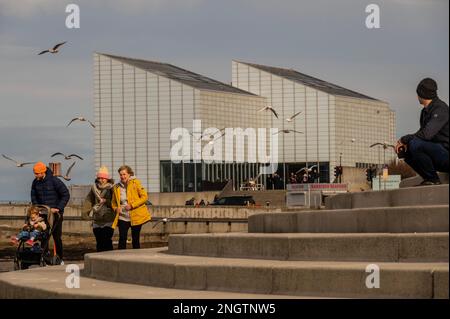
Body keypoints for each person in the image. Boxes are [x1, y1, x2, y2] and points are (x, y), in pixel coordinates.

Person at [396, 78, 449, 185]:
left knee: (415, 144)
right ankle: (430, 178)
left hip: (446, 153)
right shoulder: (425, 111)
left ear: (421, 94)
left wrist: (404, 139)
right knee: (404, 150)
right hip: (439, 153)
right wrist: (404, 143)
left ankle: (433, 179)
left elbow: (426, 134)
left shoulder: (440, 108)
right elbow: (421, 134)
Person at [31, 162, 69, 263]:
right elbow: (33, 196)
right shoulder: (35, 182)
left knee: (57, 237)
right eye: (35, 173)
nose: (36, 175)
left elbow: (65, 194)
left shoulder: (55, 181)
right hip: (43, 214)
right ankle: (45, 257)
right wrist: (37, 207)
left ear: (43, 172)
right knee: (43, 236)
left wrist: (58, 208)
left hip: (56, 214)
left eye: (37, 173)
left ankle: (60, 258)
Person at [112, 165, 151, 249]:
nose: (122, 176)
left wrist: (132, 205)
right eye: (121, 175)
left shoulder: (136, 182)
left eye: (124, 174)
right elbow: (113, 202)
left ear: (129, 174)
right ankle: (120, 259)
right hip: (122, 217)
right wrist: (115, 208)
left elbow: (144, 197)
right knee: (122, 238)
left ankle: (136, 259)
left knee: (135, 239)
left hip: (136, 216)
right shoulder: (116, 187)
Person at [82, 166, 115, 252]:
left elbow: (115, 202)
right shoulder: (93, 189)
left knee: (107, 241)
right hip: (97, 219)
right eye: (100, 178)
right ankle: (99, 260)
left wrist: (106, 201)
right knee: (99, 241)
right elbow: (88, 200)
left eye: (104, 178)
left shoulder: (112, 189)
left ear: (107, 179)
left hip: (108, 219)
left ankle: (109, 260)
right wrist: (85, 213)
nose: (101, 180)